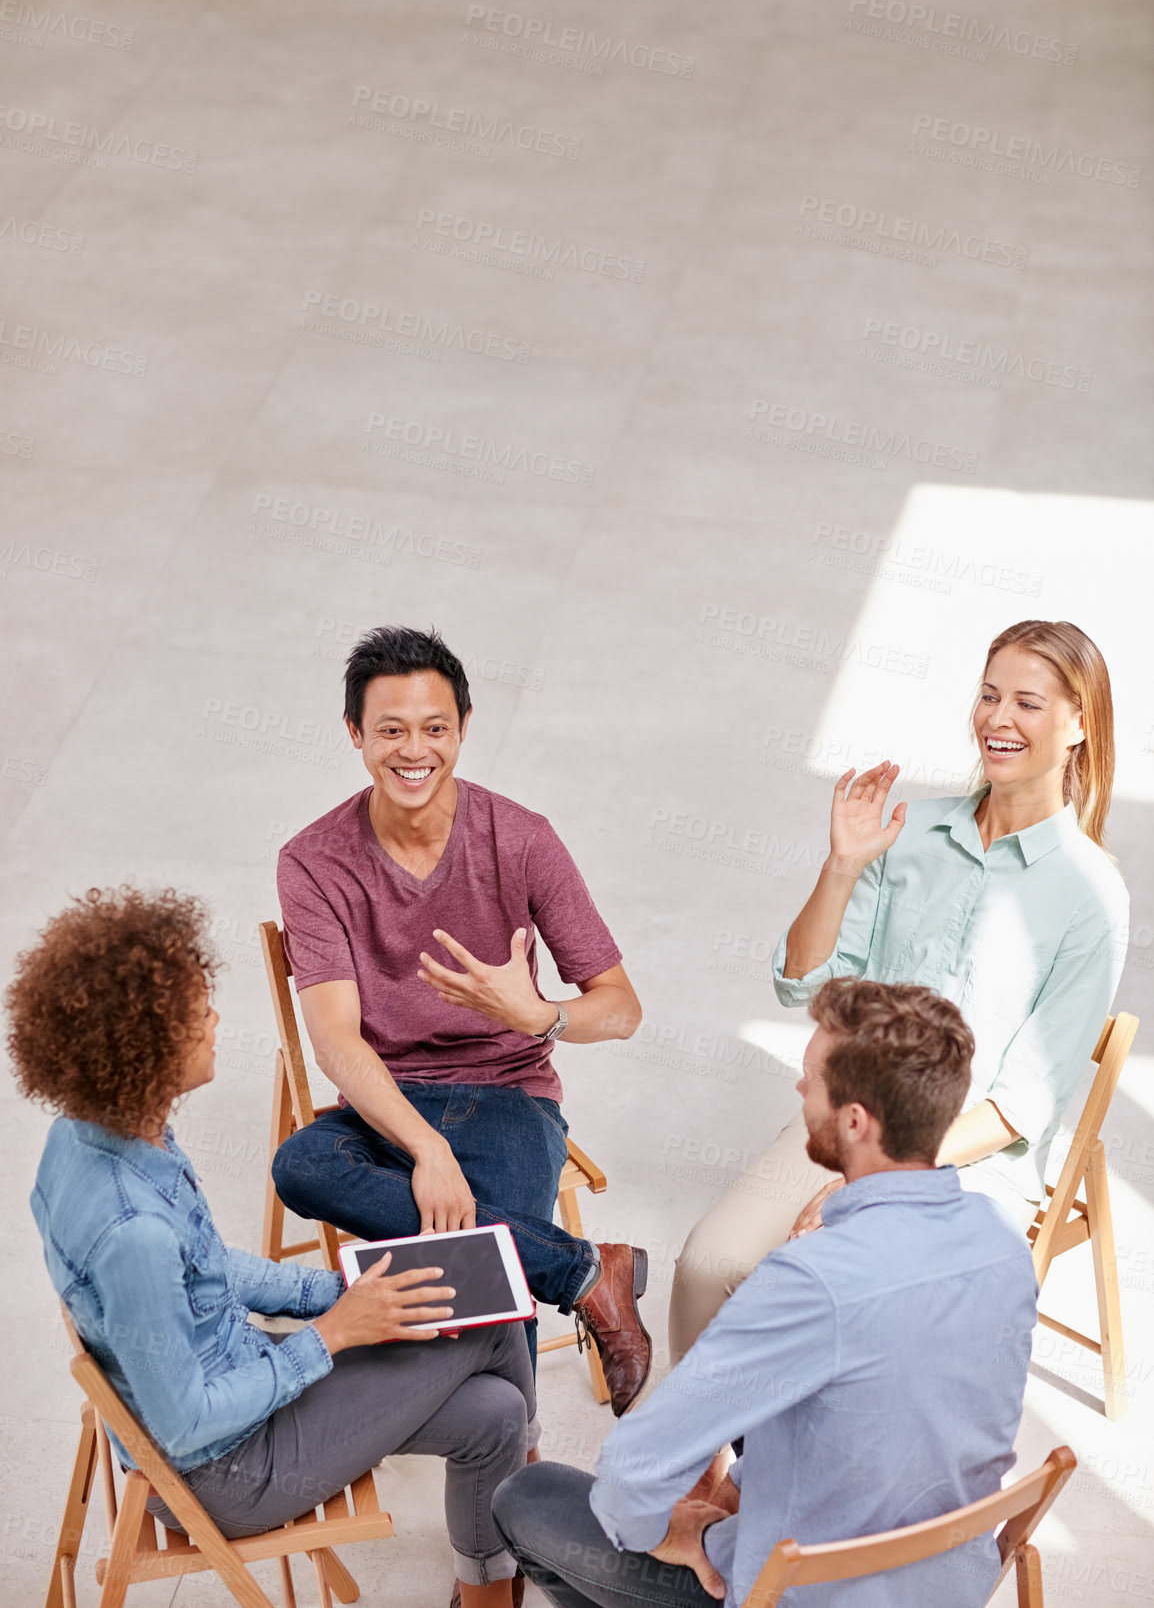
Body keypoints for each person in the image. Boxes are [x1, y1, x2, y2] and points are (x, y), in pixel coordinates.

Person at [11, 886, 535, 1608]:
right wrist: (330, 1336)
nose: (218, 1020)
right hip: (228, 1471)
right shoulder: (131, 1230)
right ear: (146, 1052)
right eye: (200, 1015)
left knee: (496, 1413)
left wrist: (332, 1291)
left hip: (245, 1382)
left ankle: (493, 1572)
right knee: (493, 1307)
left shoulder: (98, 1133)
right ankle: (534, 1504)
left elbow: (202, 1269)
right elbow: (186, 1421)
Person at [493, 977, 1038, 1608]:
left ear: (855, 1121)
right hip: (948, 1582)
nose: (800, 1088)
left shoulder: (809, 1280)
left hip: (794, 1593)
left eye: (813, 1079)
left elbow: (630, 1476)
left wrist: (671, 1533)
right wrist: (743, 1486)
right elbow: (919, 1414)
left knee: (526, 1499)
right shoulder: (1003, 1241)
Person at [668, 617, 1128, 1361]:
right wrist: (843, 866)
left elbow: (1023, 1104)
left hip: (973, 1163)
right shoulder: (910, 834)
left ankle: (798, 1469)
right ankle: (700, 1468)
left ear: (1079, 724)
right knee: (709, 1266)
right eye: (989, 696)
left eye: (1028, 703)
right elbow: (805, 987)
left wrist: (878, 1179)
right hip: (855, 1114)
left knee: (856, 1315)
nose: (998, 719)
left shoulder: (1091, 893)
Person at [270, 625, 650, 1414]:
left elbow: (621, 1009)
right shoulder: (313, 860)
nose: (416, 751)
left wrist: (538, 1014)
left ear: (464, 727)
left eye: (435, 728)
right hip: (388, 1098)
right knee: (301, 1167)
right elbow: (335, 1037)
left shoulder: (521, 839)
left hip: (508, 1092)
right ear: (355, 735)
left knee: (483, 1265)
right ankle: (584, 1272)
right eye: (391, 730)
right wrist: (426, 1147)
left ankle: (508, 1458)